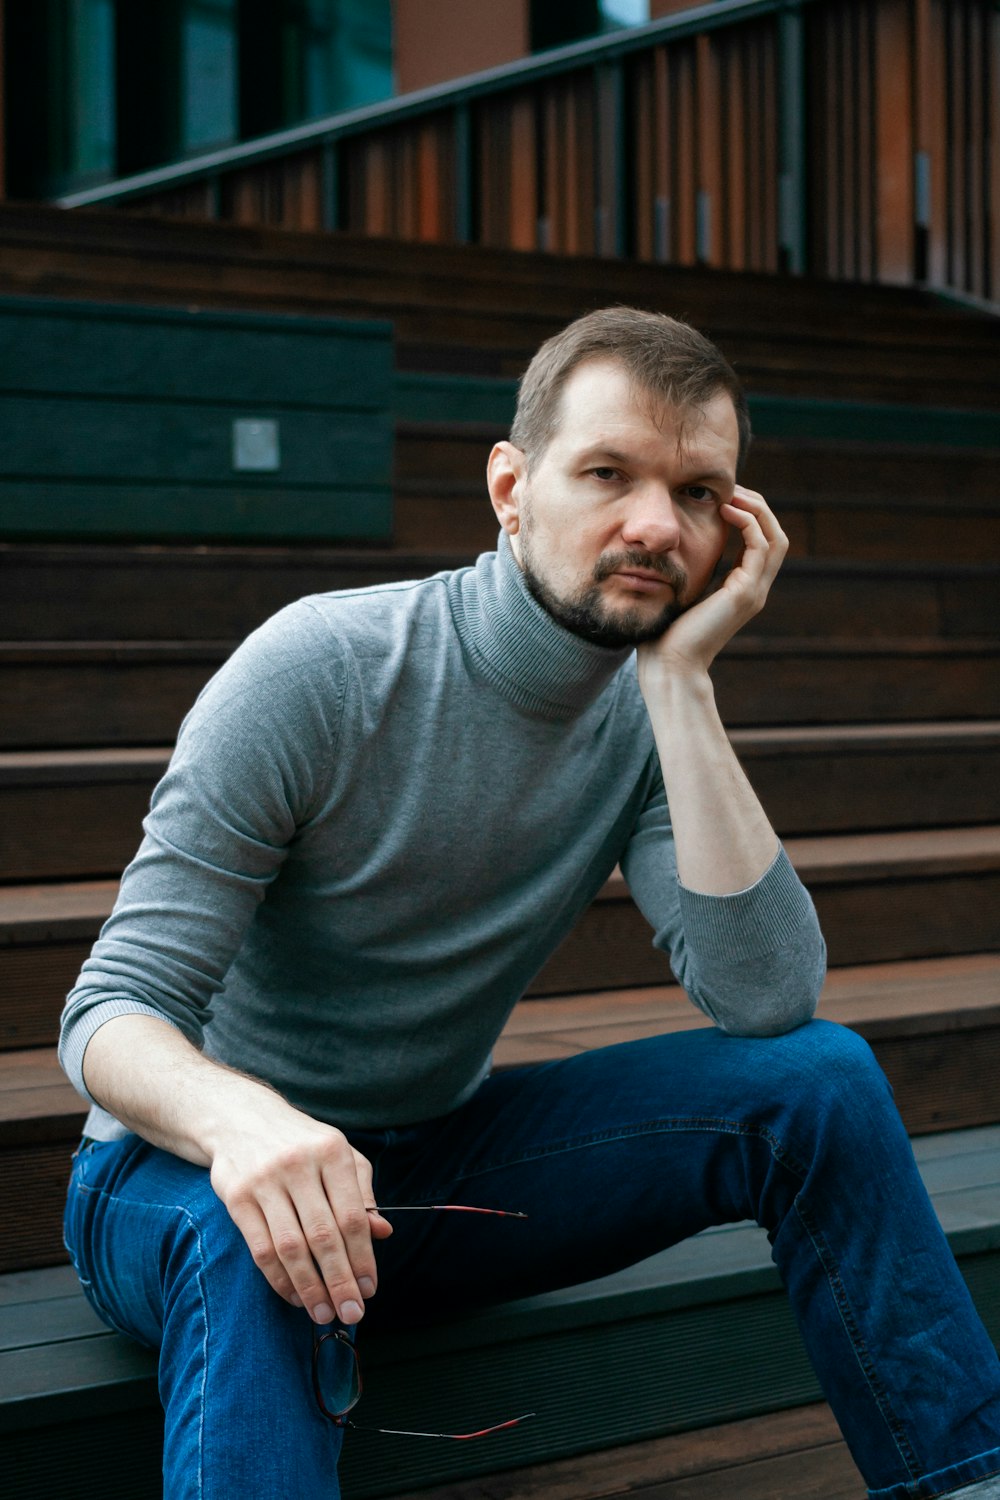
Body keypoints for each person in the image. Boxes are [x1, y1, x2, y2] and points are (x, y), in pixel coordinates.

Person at [60, 307, 1000, 1499]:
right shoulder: (319, 668)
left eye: (699, 492)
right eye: (607, 472)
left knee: (818, 1083)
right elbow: (108, 1013)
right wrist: (250, 1129)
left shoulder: (650, 716)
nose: (655, 524)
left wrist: (681, 683)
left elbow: (766, 1001)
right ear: (511, 487)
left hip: (425, 1171)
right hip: (173, 1182)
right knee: (252, 1240)